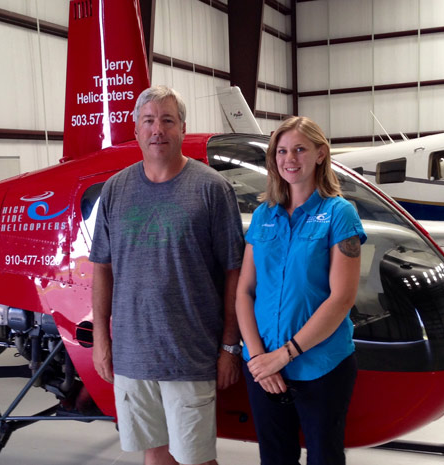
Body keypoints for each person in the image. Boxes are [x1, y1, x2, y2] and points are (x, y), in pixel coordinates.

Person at [89, 85, 245, 465]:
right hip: (133, 354)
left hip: (190, 353)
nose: (157, 129)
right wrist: (101, 339)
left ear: (182, 129)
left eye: (167, 120)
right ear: (137, 129)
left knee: (196, 458)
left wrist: (229, 346)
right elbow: (102, 268)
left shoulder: (212, 188)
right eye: (149, 121)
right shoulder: (115, 190)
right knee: (154, 453)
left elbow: (234, 273)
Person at [236, 116, 366, 465]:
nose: (289, 158)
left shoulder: (339, 214)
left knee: (324, 457)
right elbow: (245, 292)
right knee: (275, 458)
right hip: (264, 368)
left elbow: (341, 298)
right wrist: (259, 357)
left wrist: (285, 354)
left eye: (299, 149)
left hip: (320, 366)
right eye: (281, 151)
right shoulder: (263, 215)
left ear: (320, 154)